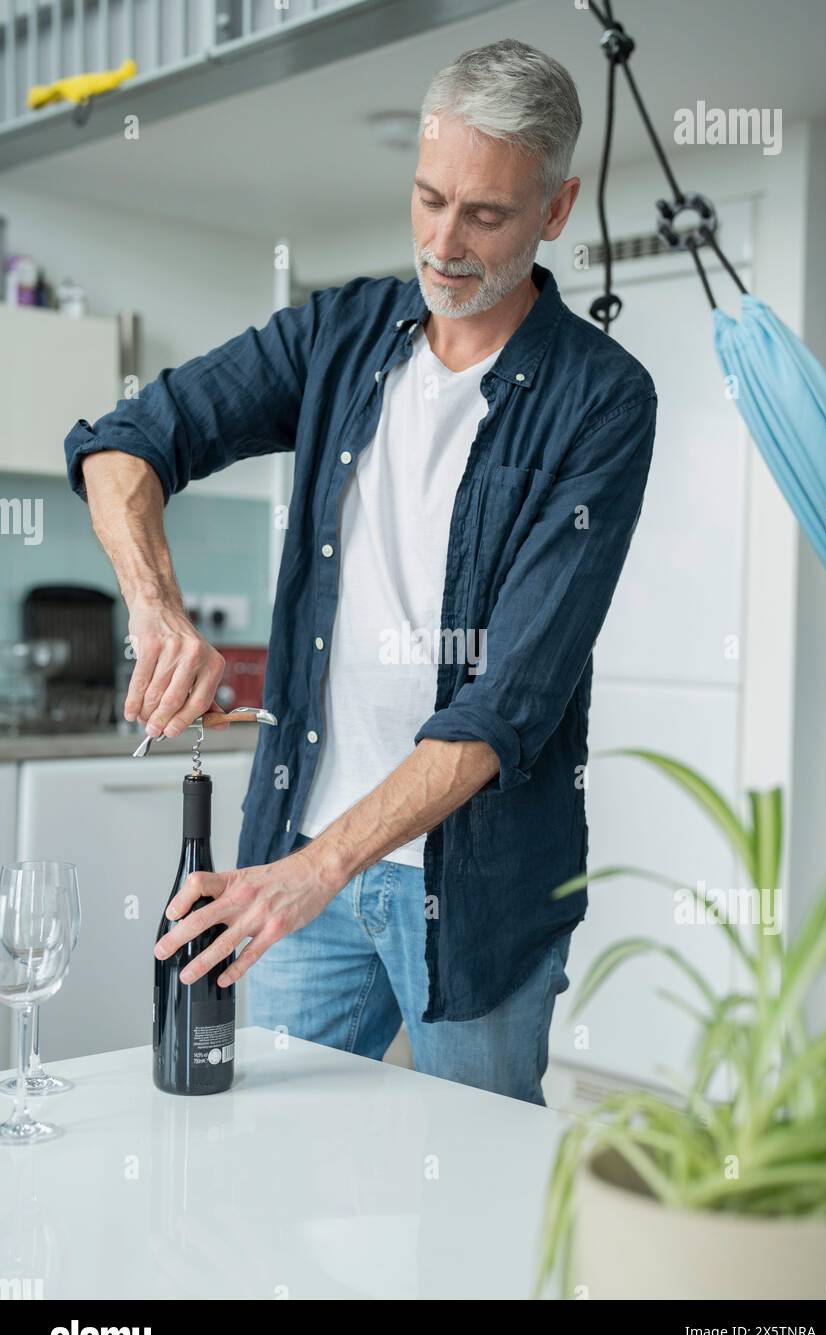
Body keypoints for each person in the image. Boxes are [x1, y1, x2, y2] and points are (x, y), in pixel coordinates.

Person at [65, 39, 657, 1104]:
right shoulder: (339, 334)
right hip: (295, 861)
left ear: (556, 209)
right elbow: (123, 444)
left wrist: (315, 870)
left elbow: (506, 703)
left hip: (469, 891)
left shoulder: (601, 399)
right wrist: (158, 614)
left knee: (476, 1200)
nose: (442, 240)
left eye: (485, 214)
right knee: (278, 1182)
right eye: (428, 198)